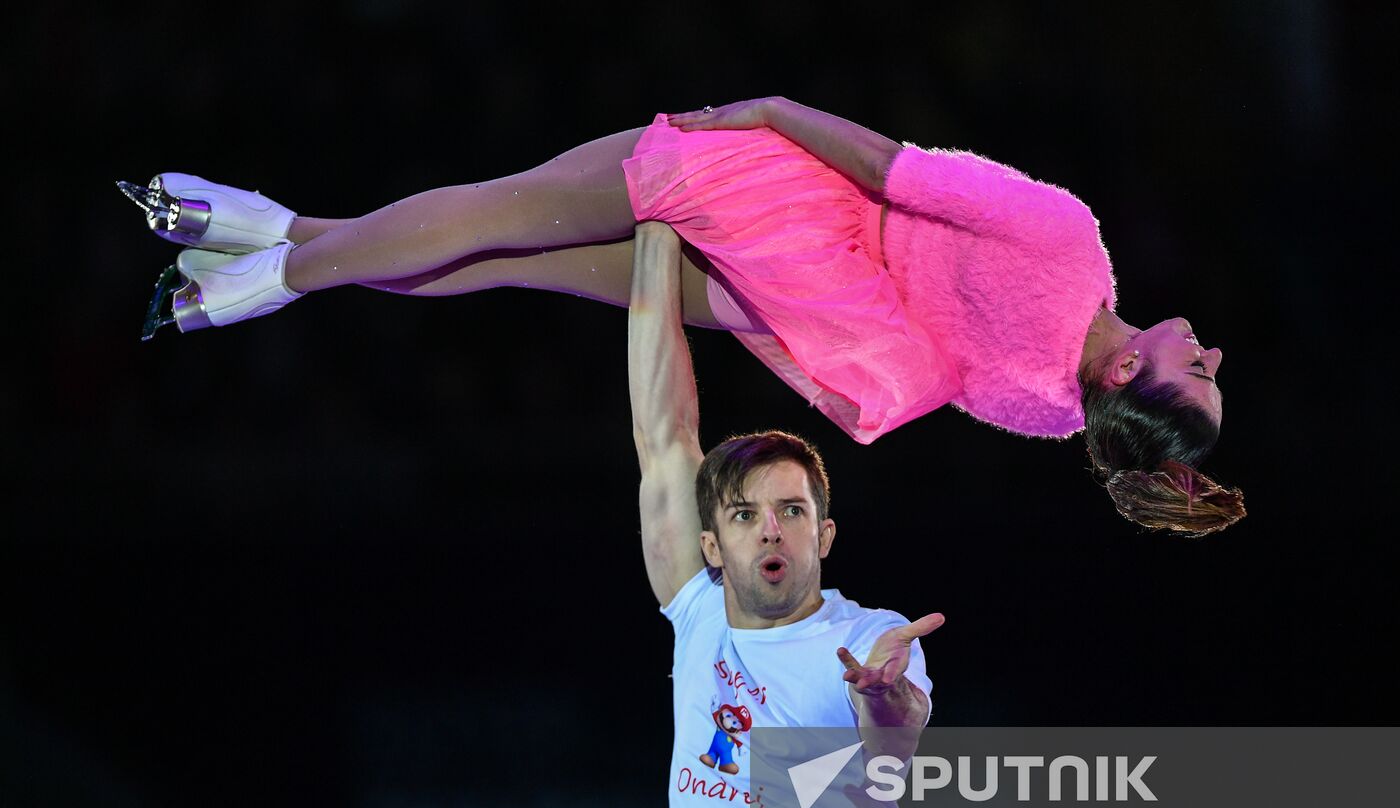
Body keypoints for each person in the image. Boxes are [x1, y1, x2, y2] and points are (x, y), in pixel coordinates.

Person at [119, 96, 1245, 534]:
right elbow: (895, 372)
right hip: (800, 304)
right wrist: (762, 322)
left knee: (507, 212)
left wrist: (768, 109)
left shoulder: (1066, 243)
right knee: (522, 260)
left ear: (1123, 378)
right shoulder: (1047, 412)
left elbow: (896, 168)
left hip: (797, 204)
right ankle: (274, 239)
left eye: (1193, 374)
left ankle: (275, 272)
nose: (1208, 351)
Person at [628, 219, 941, 808]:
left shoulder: (873, 638)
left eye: (791, 510)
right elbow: (661, 431)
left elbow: (891, 752)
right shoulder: (698, 614)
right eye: (744, 514)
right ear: (711, 545)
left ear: (823, 535)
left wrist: (884, 701)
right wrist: (655, 217)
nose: (770, 526)